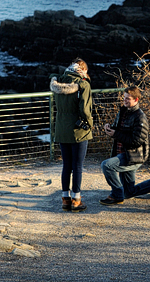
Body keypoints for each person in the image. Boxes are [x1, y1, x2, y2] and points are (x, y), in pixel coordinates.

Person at [100, 85, 150, 205]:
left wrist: (116, 134)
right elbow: (118, 130)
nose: (124, 100)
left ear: (136, 100)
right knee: (129, 192)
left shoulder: (140, 117)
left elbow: (137, 141)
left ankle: (116, 195)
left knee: (107, 165)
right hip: (123, 153)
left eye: (128, 98)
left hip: (133, 156)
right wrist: (109, 128)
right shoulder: (123, 111)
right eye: (124, 97)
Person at [50, 58, 93, 212]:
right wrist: (90, 125)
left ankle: (65, 199)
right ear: (82, 70)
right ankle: (76, 200)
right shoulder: (83, 85)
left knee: (66, 165)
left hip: (61, 128)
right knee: (78, 166)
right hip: (78, 130)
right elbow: (85, 111)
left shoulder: (57, 82)